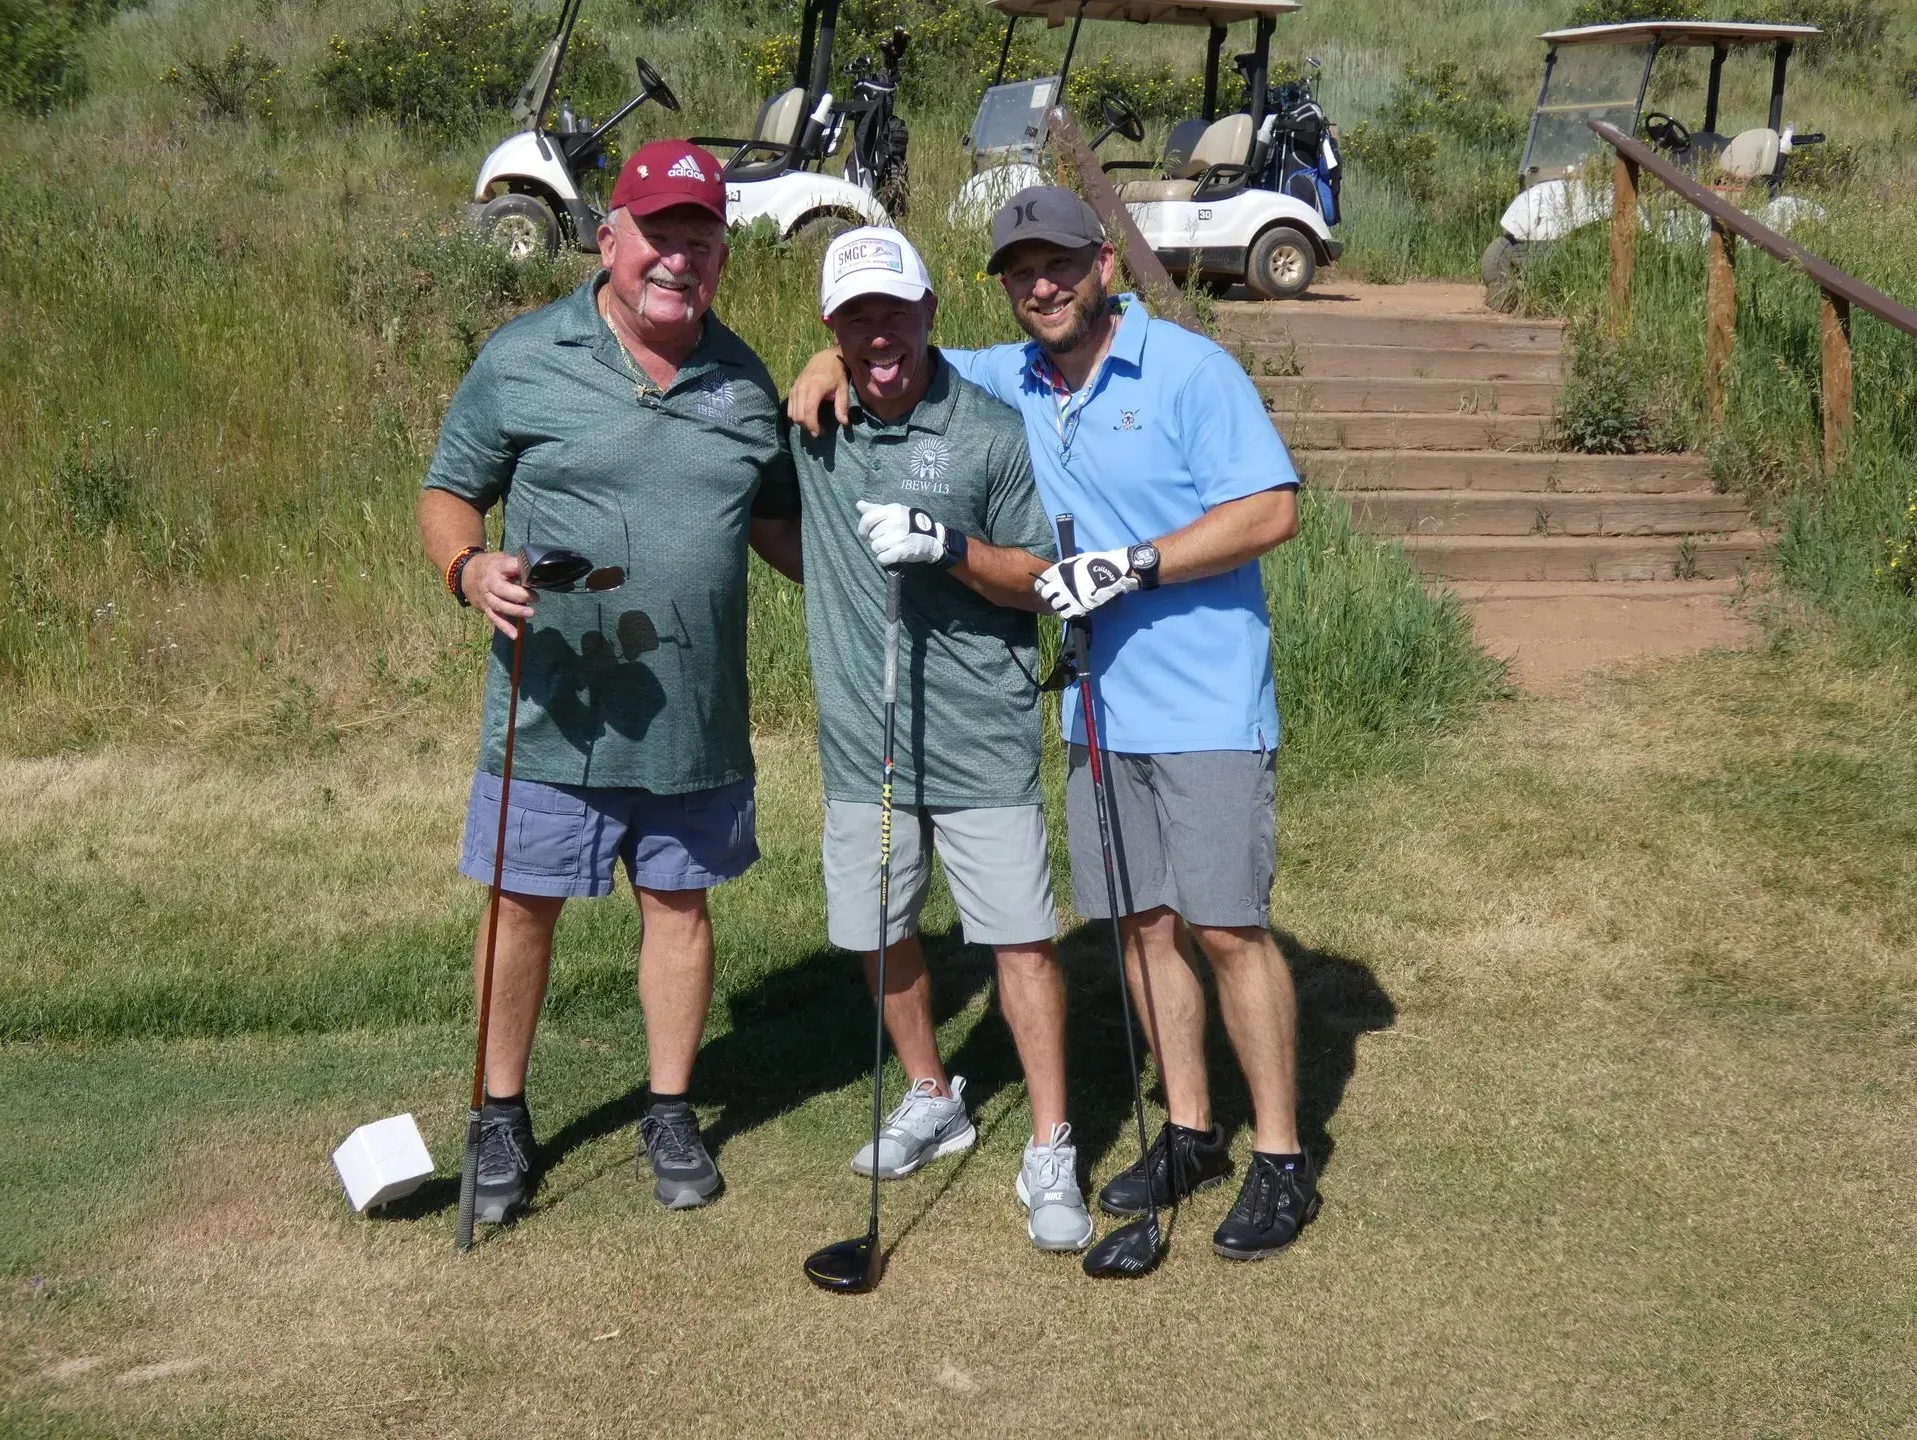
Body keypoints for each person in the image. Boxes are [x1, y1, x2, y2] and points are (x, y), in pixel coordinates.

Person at [789, 187, 1316, 1263]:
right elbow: (897, 355)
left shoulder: (1189, 371)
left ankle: (1280, 1157)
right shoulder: (1010, 375)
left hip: (1205, 694)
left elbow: (1272, 510)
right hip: (1094, 702)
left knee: (1226, 927)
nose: (1044, 285)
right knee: (1143, 926)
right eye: (1022, 270)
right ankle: (1190, 1129)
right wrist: (822, 363)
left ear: (1106, 264)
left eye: (1063, 263)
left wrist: (1145, 560)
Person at [419, 140, 801, 1225]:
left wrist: (884, 583)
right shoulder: (524, 357)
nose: (679, 260)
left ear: (724, 251)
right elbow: (449, 491)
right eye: (660, 237)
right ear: (610, 239)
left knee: (679, 907)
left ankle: (671, 1109)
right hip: (552, 714)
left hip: (695, 717)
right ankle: (499, 1115)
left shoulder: (744, 378)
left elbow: (779, 524)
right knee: (522, 909)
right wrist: (468, 566)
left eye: (701, 239)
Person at [790, 226, 1093, 1252]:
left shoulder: (993, 433)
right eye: (855, 317)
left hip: (978, 732)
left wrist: (946, 546)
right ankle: (933, 1094)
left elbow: (1044, 583)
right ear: (832, 329)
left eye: (895, 312)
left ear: (928, 315)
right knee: (880, 930)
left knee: (1020, 943)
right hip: (862, 741)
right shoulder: (811, 425)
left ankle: (1051, 1141)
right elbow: (754, 501)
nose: (879, 334)